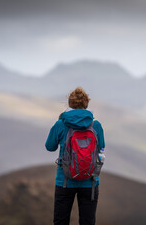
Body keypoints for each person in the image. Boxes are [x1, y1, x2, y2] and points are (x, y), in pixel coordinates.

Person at [45, 87, 105, 225]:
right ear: (86, 104)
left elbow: (49, 147)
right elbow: (101, 147)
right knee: (87, 222)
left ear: (70, 104)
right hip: (90, 181)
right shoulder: (96, 125)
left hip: (64, 181)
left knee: (61, 221)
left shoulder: (61, 124)